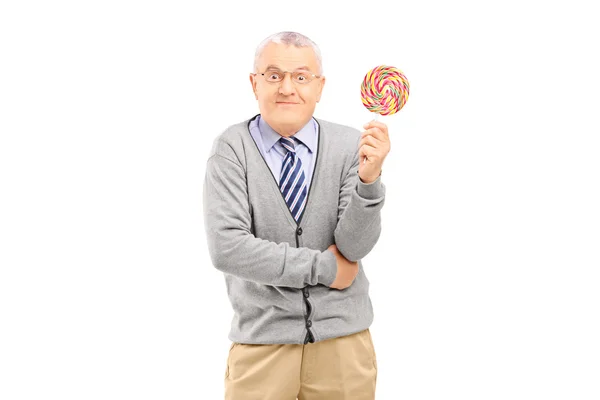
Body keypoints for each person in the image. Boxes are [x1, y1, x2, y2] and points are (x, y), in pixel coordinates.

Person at [202, 31, 391, 400]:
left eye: (301, 77)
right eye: (274, 76)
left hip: (343, 347)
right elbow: (227, 247)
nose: (288, 88)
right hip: (262, 347)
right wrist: (324, 268)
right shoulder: (231, 149)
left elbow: (354, 247)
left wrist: (369, 181)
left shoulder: (350, 145)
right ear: (254, 83)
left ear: (319, 87)